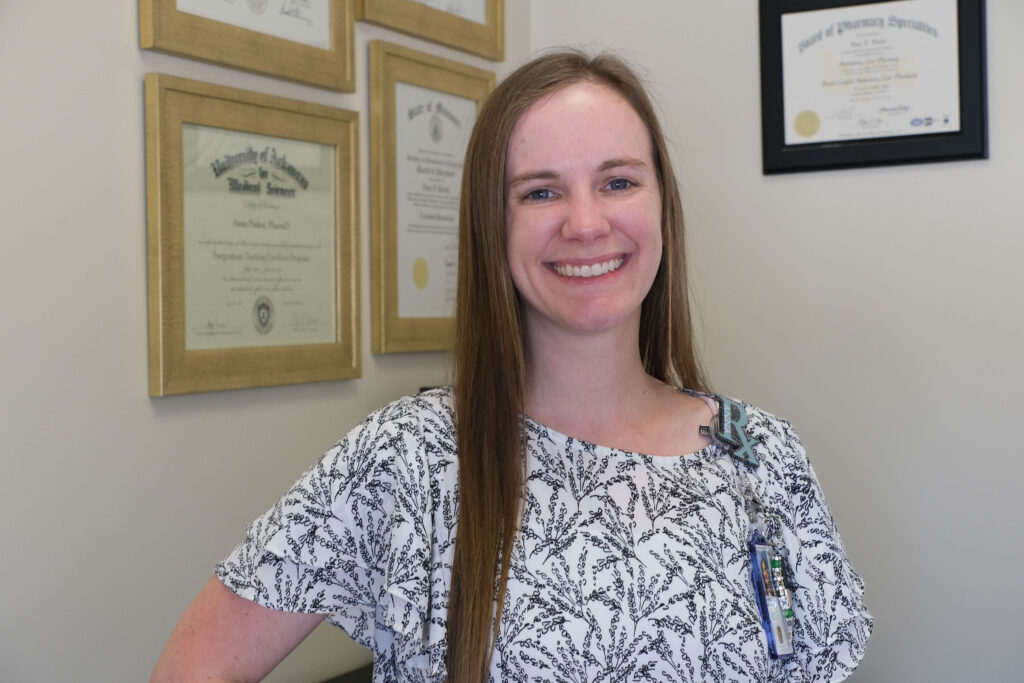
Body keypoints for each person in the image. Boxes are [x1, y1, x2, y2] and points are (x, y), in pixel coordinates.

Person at [152, 49, 871, 683]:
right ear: (491, 226)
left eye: (618, 181)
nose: (586, 222)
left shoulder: (762, 458)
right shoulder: (409, 455)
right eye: (540, 191)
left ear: (663, 207)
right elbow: (194, 666)